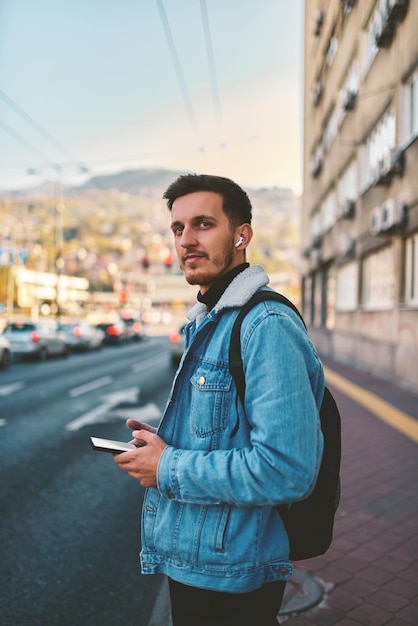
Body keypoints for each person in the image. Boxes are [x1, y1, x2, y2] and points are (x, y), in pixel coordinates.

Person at [114, 174, 325, 626]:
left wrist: (167, 467)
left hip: (233, 576)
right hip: (201, 562)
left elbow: (286, 469)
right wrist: (167, 444)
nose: (186, 240)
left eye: (204, 224)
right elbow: (226, 432)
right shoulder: (211, 319)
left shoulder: (264, 324)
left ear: (242, 235)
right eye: (177, 228)